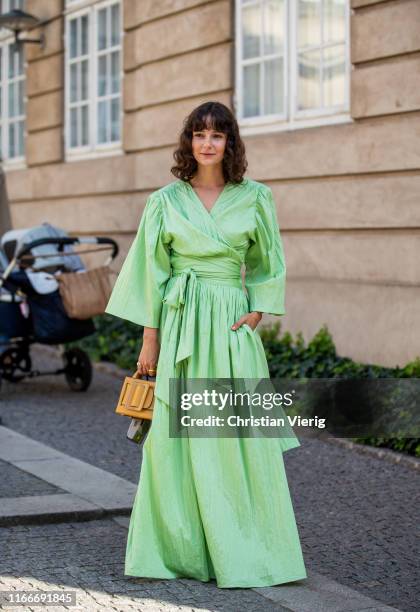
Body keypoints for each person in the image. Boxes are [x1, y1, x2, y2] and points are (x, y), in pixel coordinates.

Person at [105, 101, 307, 588]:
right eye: (199, 134)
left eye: (217, 135)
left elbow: (268, 262)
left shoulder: (256, 197)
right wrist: (150, 341)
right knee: (179, 441)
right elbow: (151, 276)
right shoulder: (165, 201)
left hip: (230, 328)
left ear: (230, 143)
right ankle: (182, 549)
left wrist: (256, 310)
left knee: (235, 439)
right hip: (179, 328)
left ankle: (245, 546)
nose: (207, 143)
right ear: (189, 142)